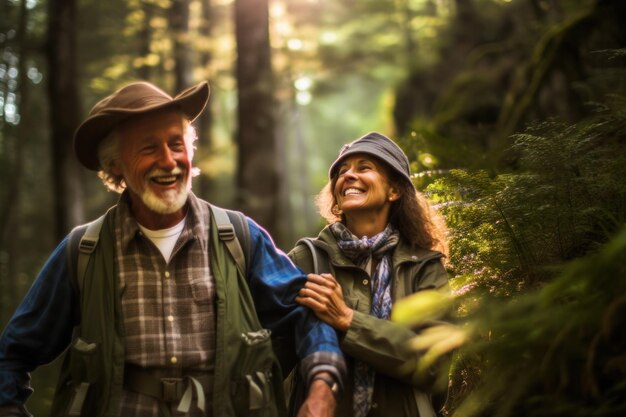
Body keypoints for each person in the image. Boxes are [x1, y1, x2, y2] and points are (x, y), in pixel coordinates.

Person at [0, 81, 345, 417]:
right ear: (116, 164)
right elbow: (12, 353)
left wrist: (322, 388)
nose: (169, 161)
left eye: (176, 143)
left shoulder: (238, 236)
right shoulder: (84, 251)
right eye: (148, 148)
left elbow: (307, 313)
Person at [288, 132, 450, 417]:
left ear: (394, 191)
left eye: (364, 168)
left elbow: (434, 363)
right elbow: (269, 353)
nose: (348, 176)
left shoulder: (423, 266)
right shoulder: (306, 260)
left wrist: (347, 320)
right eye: (342, 171)